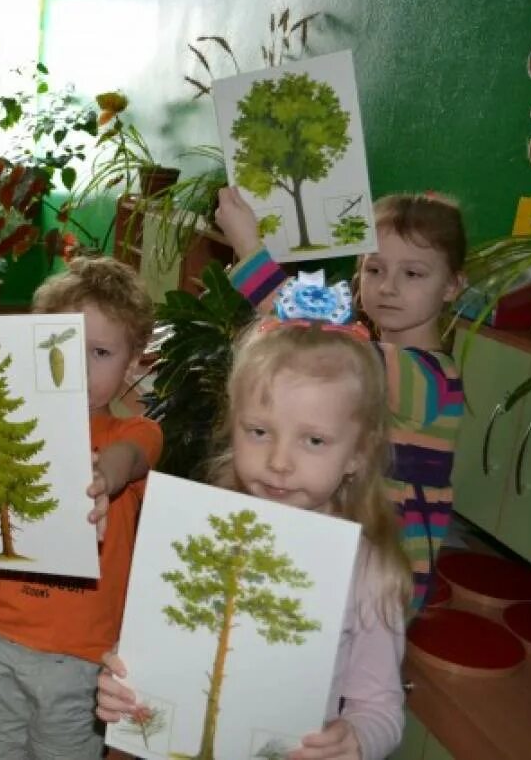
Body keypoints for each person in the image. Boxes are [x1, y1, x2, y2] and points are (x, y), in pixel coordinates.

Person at [97, 297, 411, 760]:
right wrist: (123, 680)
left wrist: (357, 739)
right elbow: (158, 648)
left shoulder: (369, 569)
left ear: (359, 453)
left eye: (314, 440)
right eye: (259, 432)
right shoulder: (197, 533)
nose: (280, 462)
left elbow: (380, 706)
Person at [0, 257, 162, 759]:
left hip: (82, 657)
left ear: (134, 363)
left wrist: (104, 474)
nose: (78, 366)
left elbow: (134, 457)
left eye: (101, 352)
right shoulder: (3, 424)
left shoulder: (133, 433)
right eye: (60, 346)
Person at [217, 188, 466, 611]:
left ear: (453, 286)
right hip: (341, 553)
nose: (388, 286)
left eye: (413, 274)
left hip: (383, 580)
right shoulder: (374, 358)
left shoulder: (430, 377)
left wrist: (249, 247)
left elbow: (304, 325)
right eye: (375, 269)